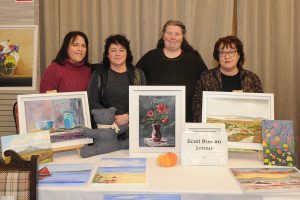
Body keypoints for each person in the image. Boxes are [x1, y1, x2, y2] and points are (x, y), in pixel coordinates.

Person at [136, 19, 208, 122]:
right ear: (163, 36)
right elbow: (135, 80)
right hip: (155, 120)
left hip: (187, 118)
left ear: (182, 38)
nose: (172, 37)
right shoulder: (150, 57)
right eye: (169, 33)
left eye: (177, 34)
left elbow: (206, 84)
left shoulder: (194, 59)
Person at [192, 35, 263, 122]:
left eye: (232, 52)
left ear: (239, 55)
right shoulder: (206, 77)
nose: (227, 56)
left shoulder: (252, 78)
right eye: (222, 52)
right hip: (214, 130)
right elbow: (197, 107)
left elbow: (260, 109)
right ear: (217, 56)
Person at [88, 34, 146, 130]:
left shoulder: (138, 74)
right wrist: (109, 117)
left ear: (127, 53)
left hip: (133, 129)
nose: (118, 54)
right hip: (106, 129)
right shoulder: (99, 74)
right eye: (113, 50)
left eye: (121, 50)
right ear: (107, 54)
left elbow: (144, 102)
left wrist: (129, 117)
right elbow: (92, 101)